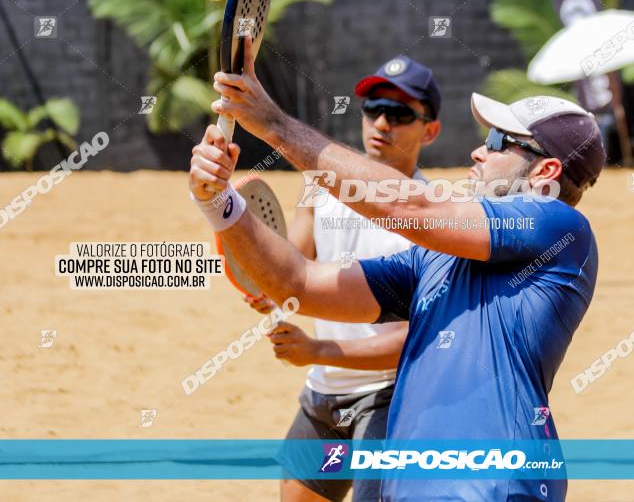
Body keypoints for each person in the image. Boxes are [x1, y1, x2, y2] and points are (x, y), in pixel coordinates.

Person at [189, 37, 604, 500]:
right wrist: (218, 204)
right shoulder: (437, 256)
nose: (477, 152)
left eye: (496, 142)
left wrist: (273, 124)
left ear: (545, 173)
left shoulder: (559, 226)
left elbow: (416, 207)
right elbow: (298, 283)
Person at [243, 55, 441, 502]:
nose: (382, 122)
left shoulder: (433, 218)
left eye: (401, 113)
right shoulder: (321, 185)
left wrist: (318, 349)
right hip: (324, 394)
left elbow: (414, 339)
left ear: (430, 130)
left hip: (391, 400)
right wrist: (266, 284)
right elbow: (290, 264)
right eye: (373, 108)